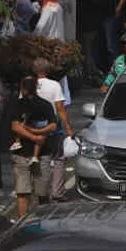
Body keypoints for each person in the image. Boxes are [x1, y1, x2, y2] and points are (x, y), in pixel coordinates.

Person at [8, 76, 57, 217]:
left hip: (21, 152)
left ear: (23, 89)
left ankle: (22, 222)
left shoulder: (17, 105)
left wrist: (32, 134)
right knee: (42, 193)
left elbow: (15, 126)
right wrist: (37, 135)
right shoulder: (46, 104)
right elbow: (53, 125)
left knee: (23, 192)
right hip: (42, 152)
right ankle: (43, 220)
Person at [32, 58, 72, 203]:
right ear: (48, 70)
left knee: (43, 160)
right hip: (54, 128)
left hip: (35, 129)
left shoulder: (30, 85)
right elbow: (60, 108)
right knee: (59, 158)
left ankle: (43, 193)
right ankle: (57, 192)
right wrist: (68, 128)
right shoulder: (54, 85)